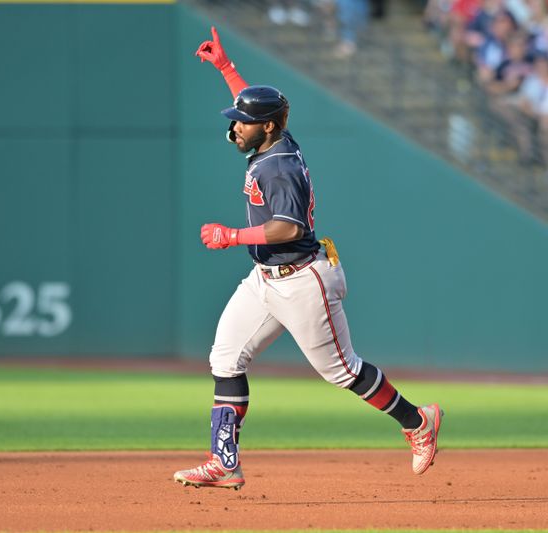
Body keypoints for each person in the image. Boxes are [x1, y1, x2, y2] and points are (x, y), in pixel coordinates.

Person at [174, 27, 444, 490]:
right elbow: (256, 107)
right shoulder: (273, 140)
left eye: (243, 121)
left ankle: (418, 421)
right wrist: (226, 68)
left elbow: (289, 228)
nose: (234, 125)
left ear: (268, 127)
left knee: (343, 371)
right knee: (225, 357)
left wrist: (231, 235)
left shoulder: (278, 164)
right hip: (265, 278)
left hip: (302, 279)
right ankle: (224, 462)